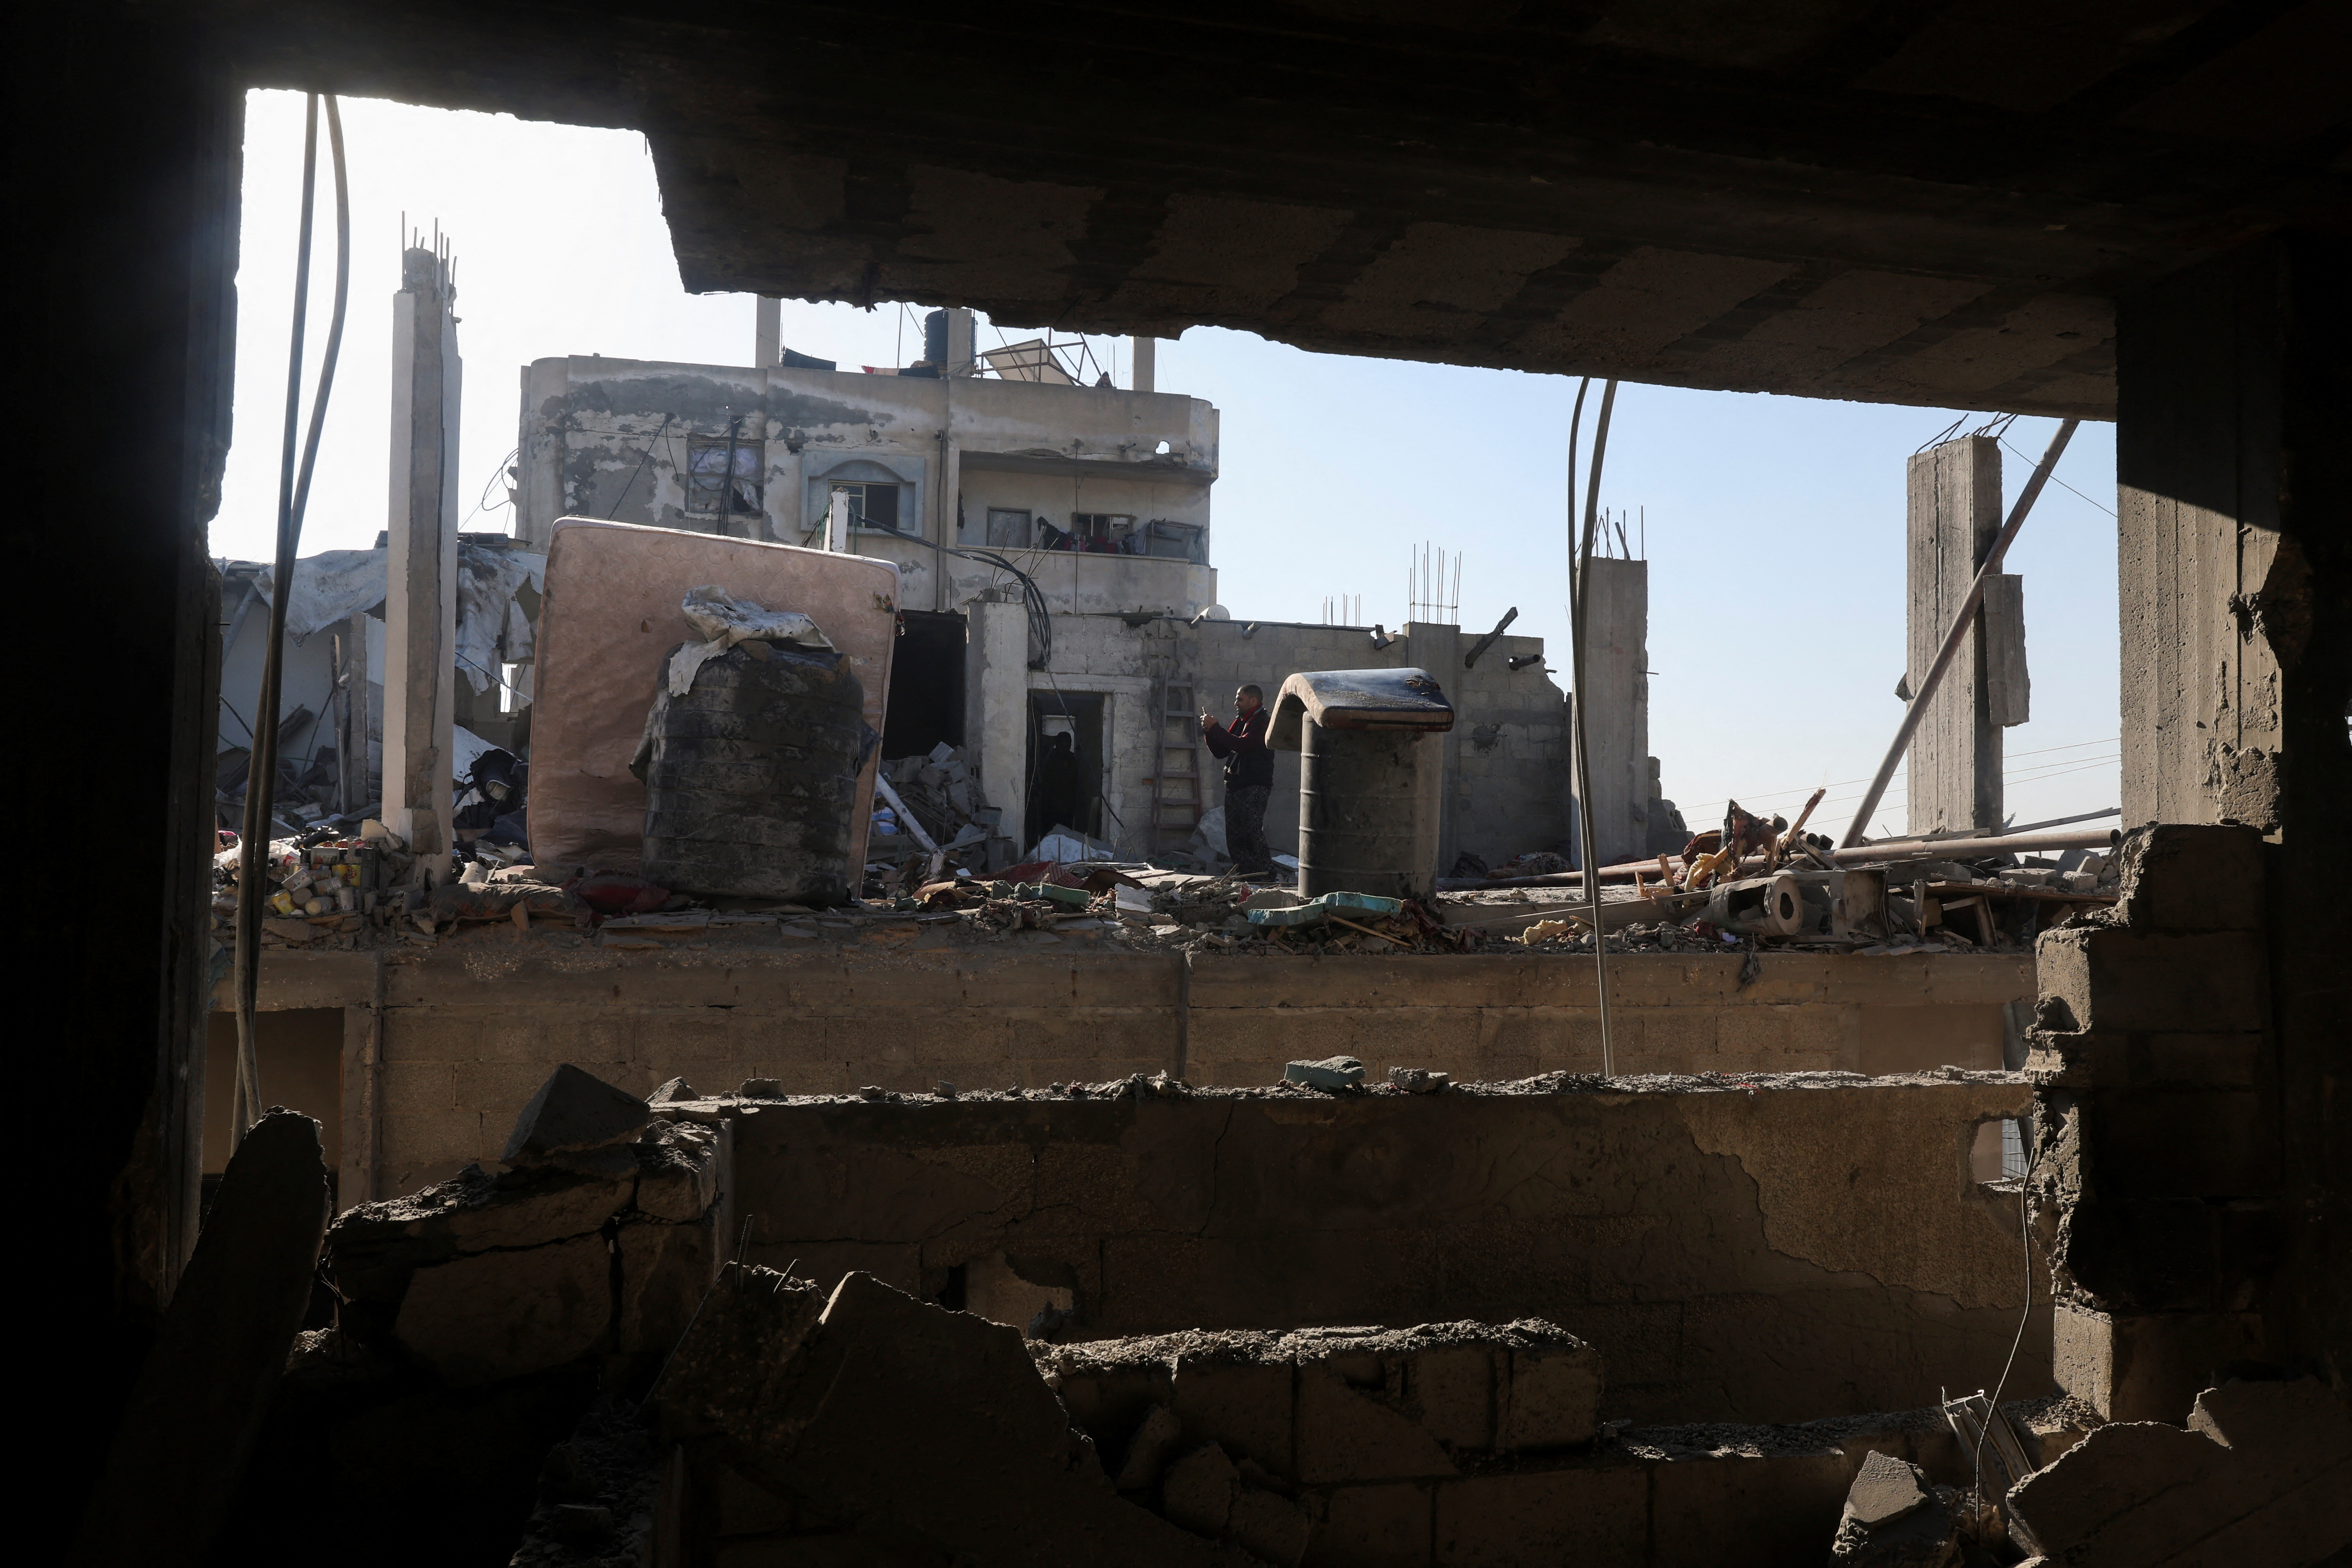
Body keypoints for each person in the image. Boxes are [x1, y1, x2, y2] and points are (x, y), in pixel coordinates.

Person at [1200, 684, 1275, 876]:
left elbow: (1242, 745)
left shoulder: (1263, 722)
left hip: (1254, 787)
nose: (1236, 703)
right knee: (1235, 837)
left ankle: (1265, 875)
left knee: (1252, 832)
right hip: (1234, 786)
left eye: (1240, 699)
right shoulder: (1242, 721)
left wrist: (1216, 729)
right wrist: (1210, 733)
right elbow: (1222, 751)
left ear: (1253, 701)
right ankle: (1246, 875)